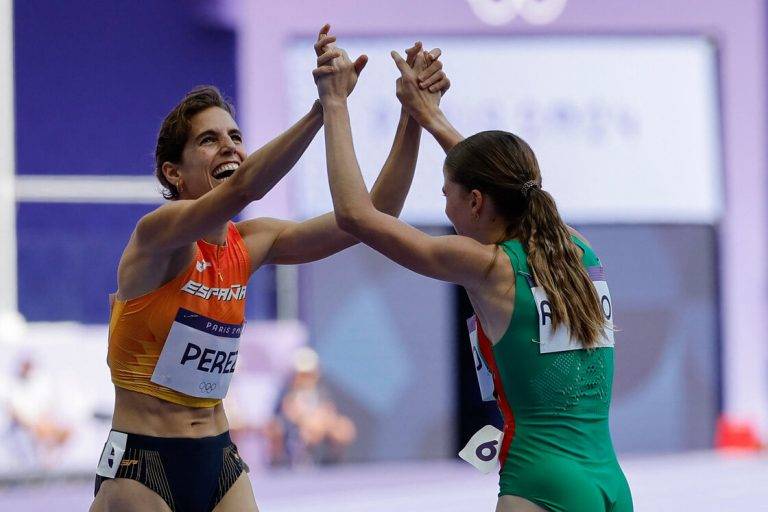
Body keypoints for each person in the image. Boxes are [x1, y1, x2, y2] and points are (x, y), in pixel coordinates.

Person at [90, 25, 450, 512]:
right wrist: (322, 110)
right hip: (143, 463)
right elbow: (242, 190)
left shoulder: (253, 242)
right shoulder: (157, 236)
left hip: (218, 458)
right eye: (209, 141)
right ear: (172, 173)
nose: (230, 149)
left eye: (236, 138)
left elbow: (373, 217)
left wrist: (412, 116)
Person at [315, 39, 633, 512]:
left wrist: (335, 103)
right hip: (609, 481)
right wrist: (426, 115)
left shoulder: (488, 267)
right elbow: (502, 180)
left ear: (477, 201)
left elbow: (355, 216)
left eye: (447, 194)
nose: (445, 206)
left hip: (541, 481)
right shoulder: (577, 249)